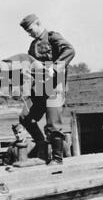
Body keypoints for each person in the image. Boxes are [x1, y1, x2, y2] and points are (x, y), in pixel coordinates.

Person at [19, 14, 75, 165]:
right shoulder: (32, 46)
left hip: (55, 87)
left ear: (38, 24)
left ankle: (57, 159)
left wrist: (55, 68)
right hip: (39, 88)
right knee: (25, 117)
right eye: (27, 31)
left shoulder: (53, 37)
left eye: (30, 30)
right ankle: (41, 143)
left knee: (53, 124)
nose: (29, 33)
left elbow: (70, 50)